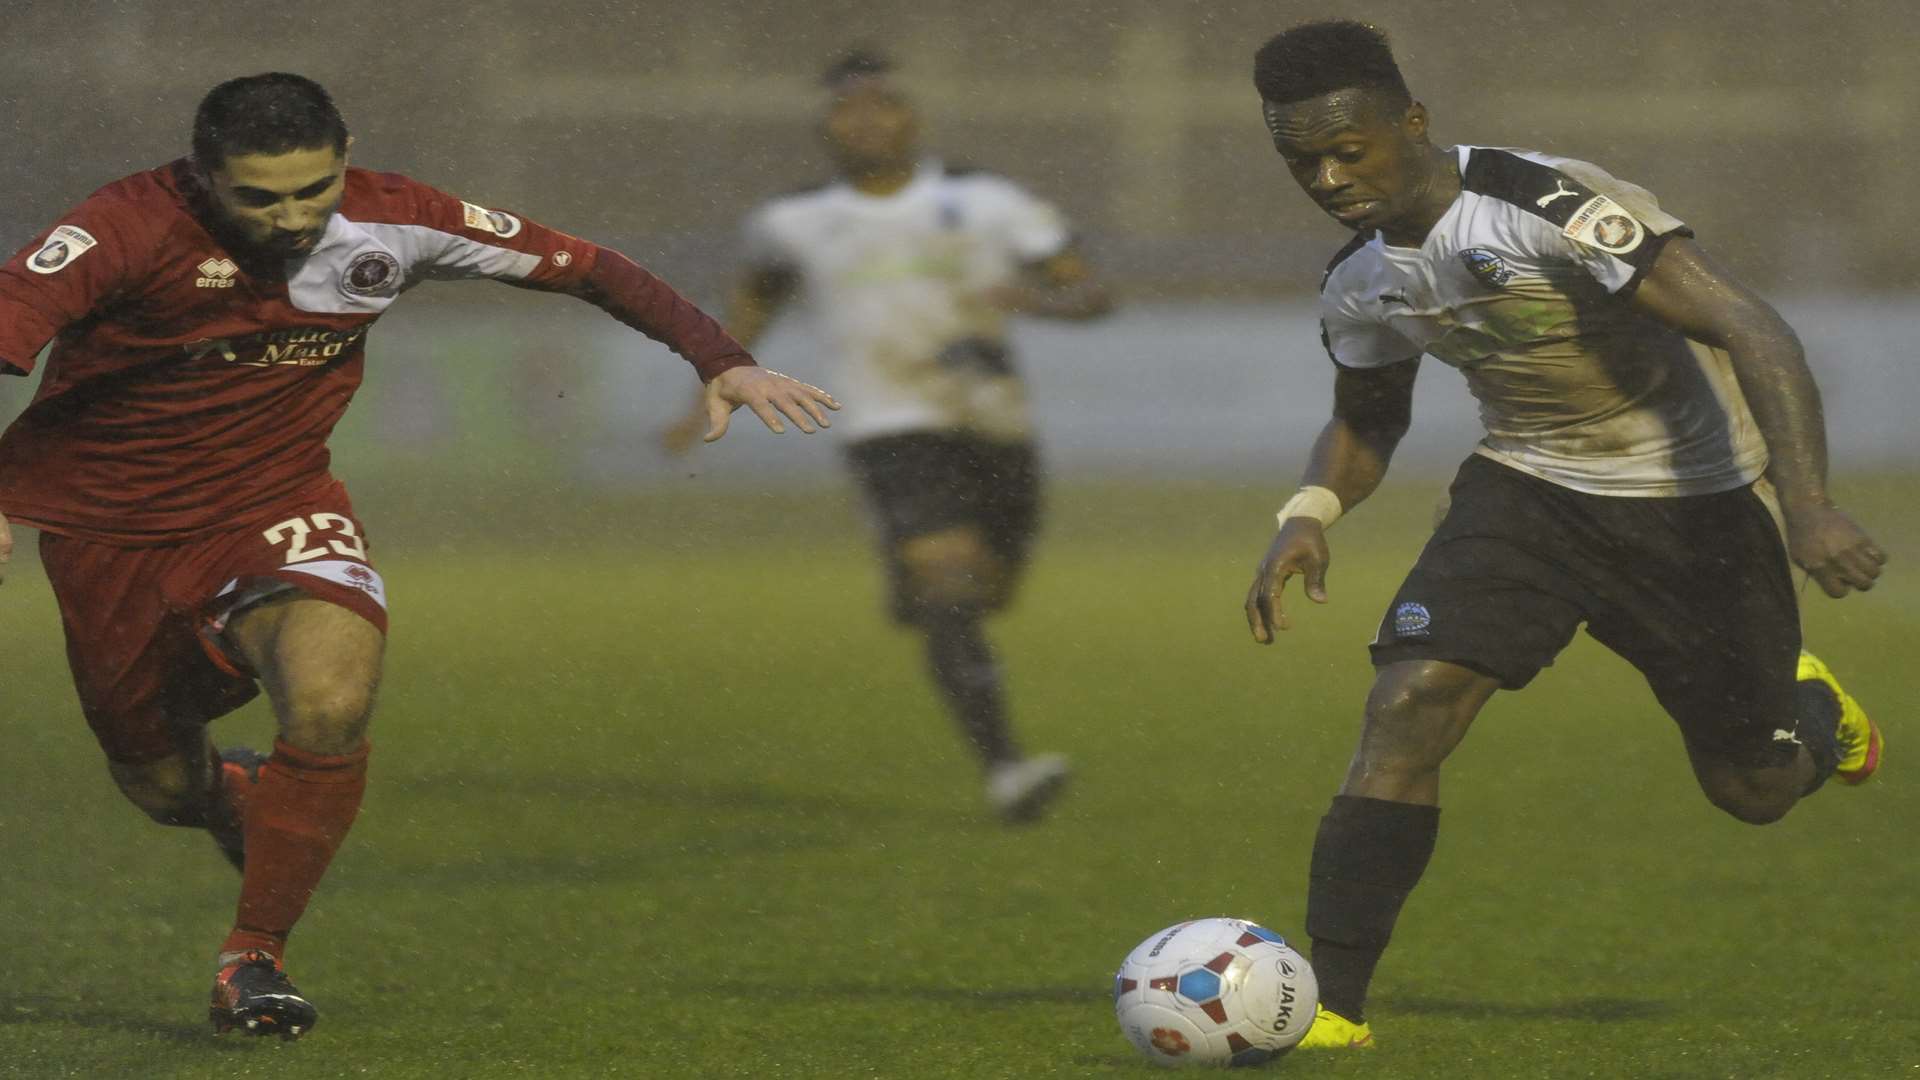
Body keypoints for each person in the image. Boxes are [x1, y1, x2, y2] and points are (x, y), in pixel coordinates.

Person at [0, 73, 838, 1039]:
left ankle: (255, 958)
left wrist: (719, 357)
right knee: (161, 786)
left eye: (313, 190)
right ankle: (234, 798)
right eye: (259, 199)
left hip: (276, 504)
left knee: (332, 697)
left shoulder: (401, 220)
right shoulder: (123, 227)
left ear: (345, 156)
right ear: (202, 177)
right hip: (106, 535)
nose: (293, 218)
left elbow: (590, 266)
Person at [1239, 21, 1887, 1050]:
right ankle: (1329, 1010)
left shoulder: (1545, 202)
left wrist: (1808, 504)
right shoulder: (1359, 277)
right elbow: (1368, 418)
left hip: (1697, 503)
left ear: (1411, 122)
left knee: (1752, 789)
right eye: (1298, 159)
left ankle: (1808, 712)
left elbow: (1749, 325)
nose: (1325, 176)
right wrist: (1308, 516)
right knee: (1406, 706)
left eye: (1346, 150)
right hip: (1529, 492)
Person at [663, 50, 1113, 822]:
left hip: (995, 422)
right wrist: (711, 383)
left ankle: (930, 602)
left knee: (982, 592)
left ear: (913, 117)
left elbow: (1091, 290)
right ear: (826, 125)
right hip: (887, 424)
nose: (865, 120)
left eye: (882, 105)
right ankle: (1008, 770)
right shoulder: (791, 221)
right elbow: (752, 307)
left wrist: (1041, 300)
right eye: (847, 108)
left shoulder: (987, 200)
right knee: (947, 579)